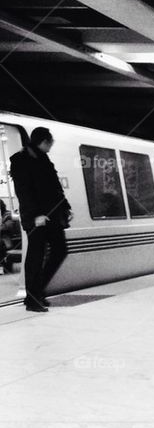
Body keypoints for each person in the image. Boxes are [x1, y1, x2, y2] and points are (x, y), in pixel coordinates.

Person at [9, 127, 71, 312]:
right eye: (50, 143)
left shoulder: (42, 159)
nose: (51, 146)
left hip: (50, 216)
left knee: (60, 250)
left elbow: (54, 188)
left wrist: (65, 207)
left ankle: (37, 292)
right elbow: (24, 191)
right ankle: (33, 298)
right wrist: (35, 215)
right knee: (35, 256)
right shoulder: (21, 160)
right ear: (44, 141)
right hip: (36, 217)